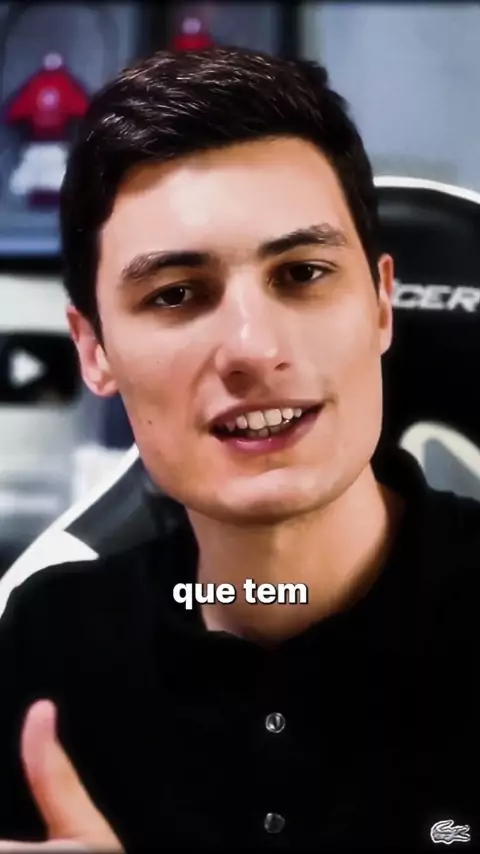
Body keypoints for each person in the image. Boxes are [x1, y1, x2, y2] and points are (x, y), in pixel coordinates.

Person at [0, 46, 479, 854]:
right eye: (176, 294)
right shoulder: (49, 641)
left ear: (381, 304)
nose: (254, 348)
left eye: (303, 274)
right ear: (94, 350)